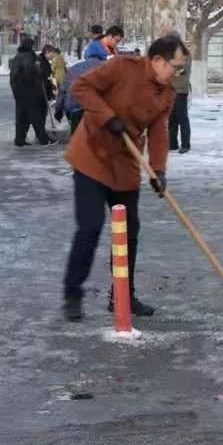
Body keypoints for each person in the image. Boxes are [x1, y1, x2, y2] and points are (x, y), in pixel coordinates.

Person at [61, 34, 189, 321]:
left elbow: (158, 133)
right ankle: (72, 292)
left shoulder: (166, 94)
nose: (178, 73)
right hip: (92, 157)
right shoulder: (122, 68)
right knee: (90, 226)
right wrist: (107, 117)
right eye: (176, 67)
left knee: (130, 231)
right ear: (158, 61)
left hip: (125, 164)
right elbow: (81, 87)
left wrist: (158, 170)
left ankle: (122, 295)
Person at [55, 39, 108, 133]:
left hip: (75, 110)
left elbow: (63, 91)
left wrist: (58, 111)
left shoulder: (74, 69)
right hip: (100, 112)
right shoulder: (108, 69)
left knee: (78, 138)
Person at [9, 36, 54, 147]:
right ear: (30, 46)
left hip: (18, 92)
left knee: (21, 116)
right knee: (36, 116)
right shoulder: (30, 57)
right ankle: (44, 139)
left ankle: (19, 139)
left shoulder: (17, 57)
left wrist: (16, 91)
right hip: (30, 91)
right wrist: (39, 76)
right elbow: (32, 73)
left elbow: (13, 76)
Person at [169, 51, 192, 153]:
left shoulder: (185, 55)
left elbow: (182, 72)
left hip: (181, 91)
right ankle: (172, 143)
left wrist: (172, 71)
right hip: (171, 90)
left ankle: (185, 144)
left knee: (182, 118)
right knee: (172, 118)